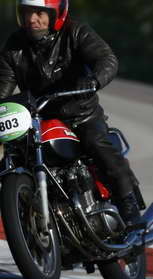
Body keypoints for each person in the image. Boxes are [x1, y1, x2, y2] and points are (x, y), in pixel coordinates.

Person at [0, 0, 142, 224]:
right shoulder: (14, 45)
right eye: (27, 12)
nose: (32, 19)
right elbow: (3, 87)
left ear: (56, 13)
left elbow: (106, 59)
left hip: (81, 115)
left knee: (96, 143)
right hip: (39, 119)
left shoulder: (76, 32)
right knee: (14, 155)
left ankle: (129, 207)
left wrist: (94, 80)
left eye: (39, 13)